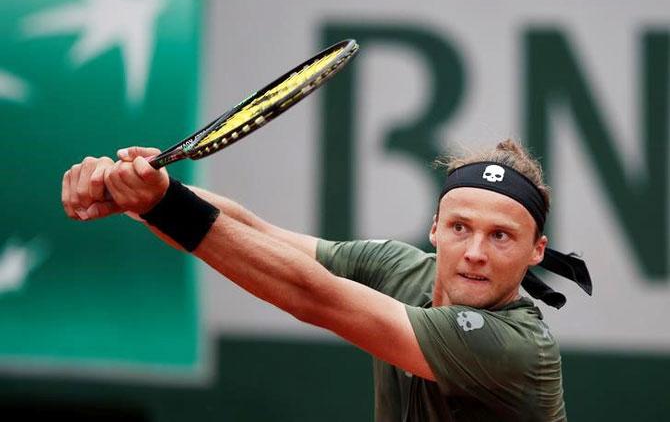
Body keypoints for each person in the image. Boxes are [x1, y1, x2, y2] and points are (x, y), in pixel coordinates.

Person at [61, 139, 592, 421]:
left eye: (500, 236)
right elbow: (257, 235)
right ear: (435, 228)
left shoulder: (518, 348)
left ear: (535, 251)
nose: (475, 252)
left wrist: (164, 204)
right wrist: (146, 199)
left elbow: (316, 297)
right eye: (459, 227)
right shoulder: (399, 269)